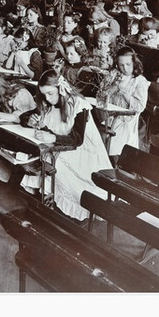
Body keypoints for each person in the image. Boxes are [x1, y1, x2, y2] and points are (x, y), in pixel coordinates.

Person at [19, 70, 113, 222]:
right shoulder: (47, 103)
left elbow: (77, 139)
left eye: (50, 93)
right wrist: (30, 120)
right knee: (34, 157)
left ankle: (58, 207)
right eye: (44, 95)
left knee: (55, 165)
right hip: (59, 147)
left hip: (82, 153)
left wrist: (52, 137)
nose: (47, 98)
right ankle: (47, 202)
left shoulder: (78, 105)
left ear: (60, 89)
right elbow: (24, 116)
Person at [99, 47, 150, 162]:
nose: (125, 68)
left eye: (128, 64)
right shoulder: (114, 74)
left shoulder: (140, 81)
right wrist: (112, 87)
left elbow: (139, 107)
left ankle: (115, 163)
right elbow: (102, 94)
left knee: (113, 146)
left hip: (127, 120)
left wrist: (124, 92)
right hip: (109, 116)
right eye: (121, 65)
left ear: (134, 63)